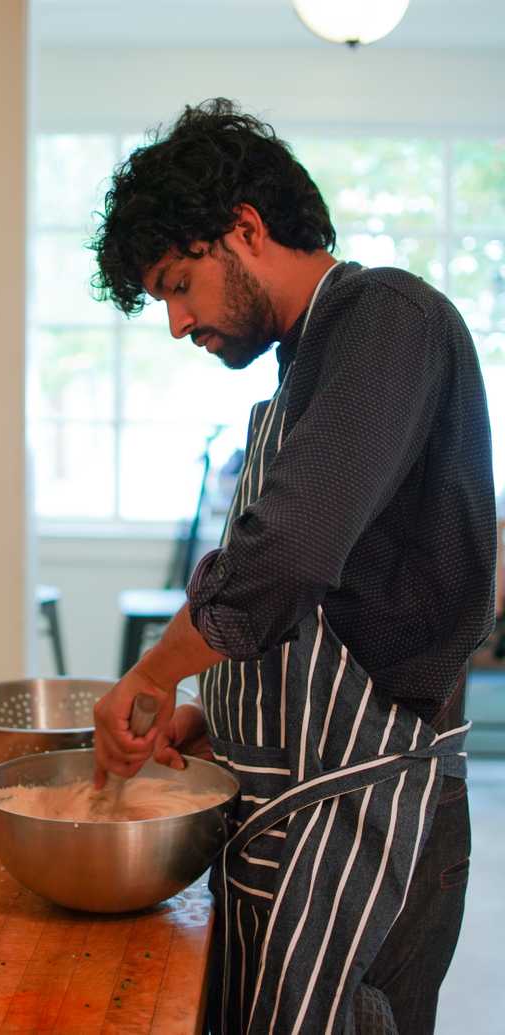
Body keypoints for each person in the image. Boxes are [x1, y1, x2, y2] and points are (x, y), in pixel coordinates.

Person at [89, 98, 496, 1034]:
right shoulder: (298, 372)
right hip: (292, 816)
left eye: (179, 283)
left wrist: (153, 671)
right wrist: (214, 715)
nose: (178, 322)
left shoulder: (389, 319)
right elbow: (323, 598)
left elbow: (293, 551)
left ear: (247, 229)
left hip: (367, 823)